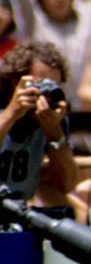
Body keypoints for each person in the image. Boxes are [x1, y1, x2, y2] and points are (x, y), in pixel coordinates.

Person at [0, 41, 76, 201]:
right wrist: (11, 114)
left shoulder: (53, 119)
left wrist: (55, 133)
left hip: (16, 215)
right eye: (40, 85)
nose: (45, 97)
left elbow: (67, 185)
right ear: (16, 81)